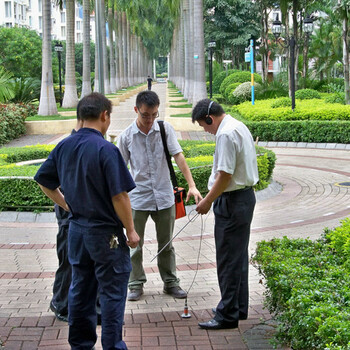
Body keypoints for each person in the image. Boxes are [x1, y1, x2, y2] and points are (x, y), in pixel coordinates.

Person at [34, 92, 139, 349]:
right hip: (107, 236)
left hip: (77, 231)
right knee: (113, 292)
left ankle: (80, 344)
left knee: (80, 289)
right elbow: (120, 196)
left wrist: (66, 204)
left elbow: (43, 180)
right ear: (105, 116)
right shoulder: (106, 149)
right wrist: (131, 231)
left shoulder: (64, 145)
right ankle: (113, 346)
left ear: (80, 117)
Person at [117, 90, 202, 302]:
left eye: (154, 114)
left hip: (164, 196)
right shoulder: (126, 136)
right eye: (145, 115)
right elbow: (118, 170)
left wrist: (192, 185)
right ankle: (135, 283)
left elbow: (178, 156)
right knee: (134, 244)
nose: (150, 120)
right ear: (136, 110)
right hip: (137, 199)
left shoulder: (165, 129)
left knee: (167, 243)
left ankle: (171, 282)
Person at [192, 99, 259, 330]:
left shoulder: (225, 134)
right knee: (237, 256)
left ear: (210, 118)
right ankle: (237, 306)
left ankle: (227, 315)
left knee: (228, 260)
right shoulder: (238, 125)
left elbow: (225, 175)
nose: (206, 131)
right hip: (244, 198)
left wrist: (208, 201)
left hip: (231, 202)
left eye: (204, 125)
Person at [49, 113, 83, 323]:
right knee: (68, 262)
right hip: (69, 218)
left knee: (82, 263)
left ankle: (81, 304)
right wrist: (67, 206)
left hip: (86, 217)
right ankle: (60, 304)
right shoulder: (66, 146)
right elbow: (45, 180)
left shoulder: (92, 143)